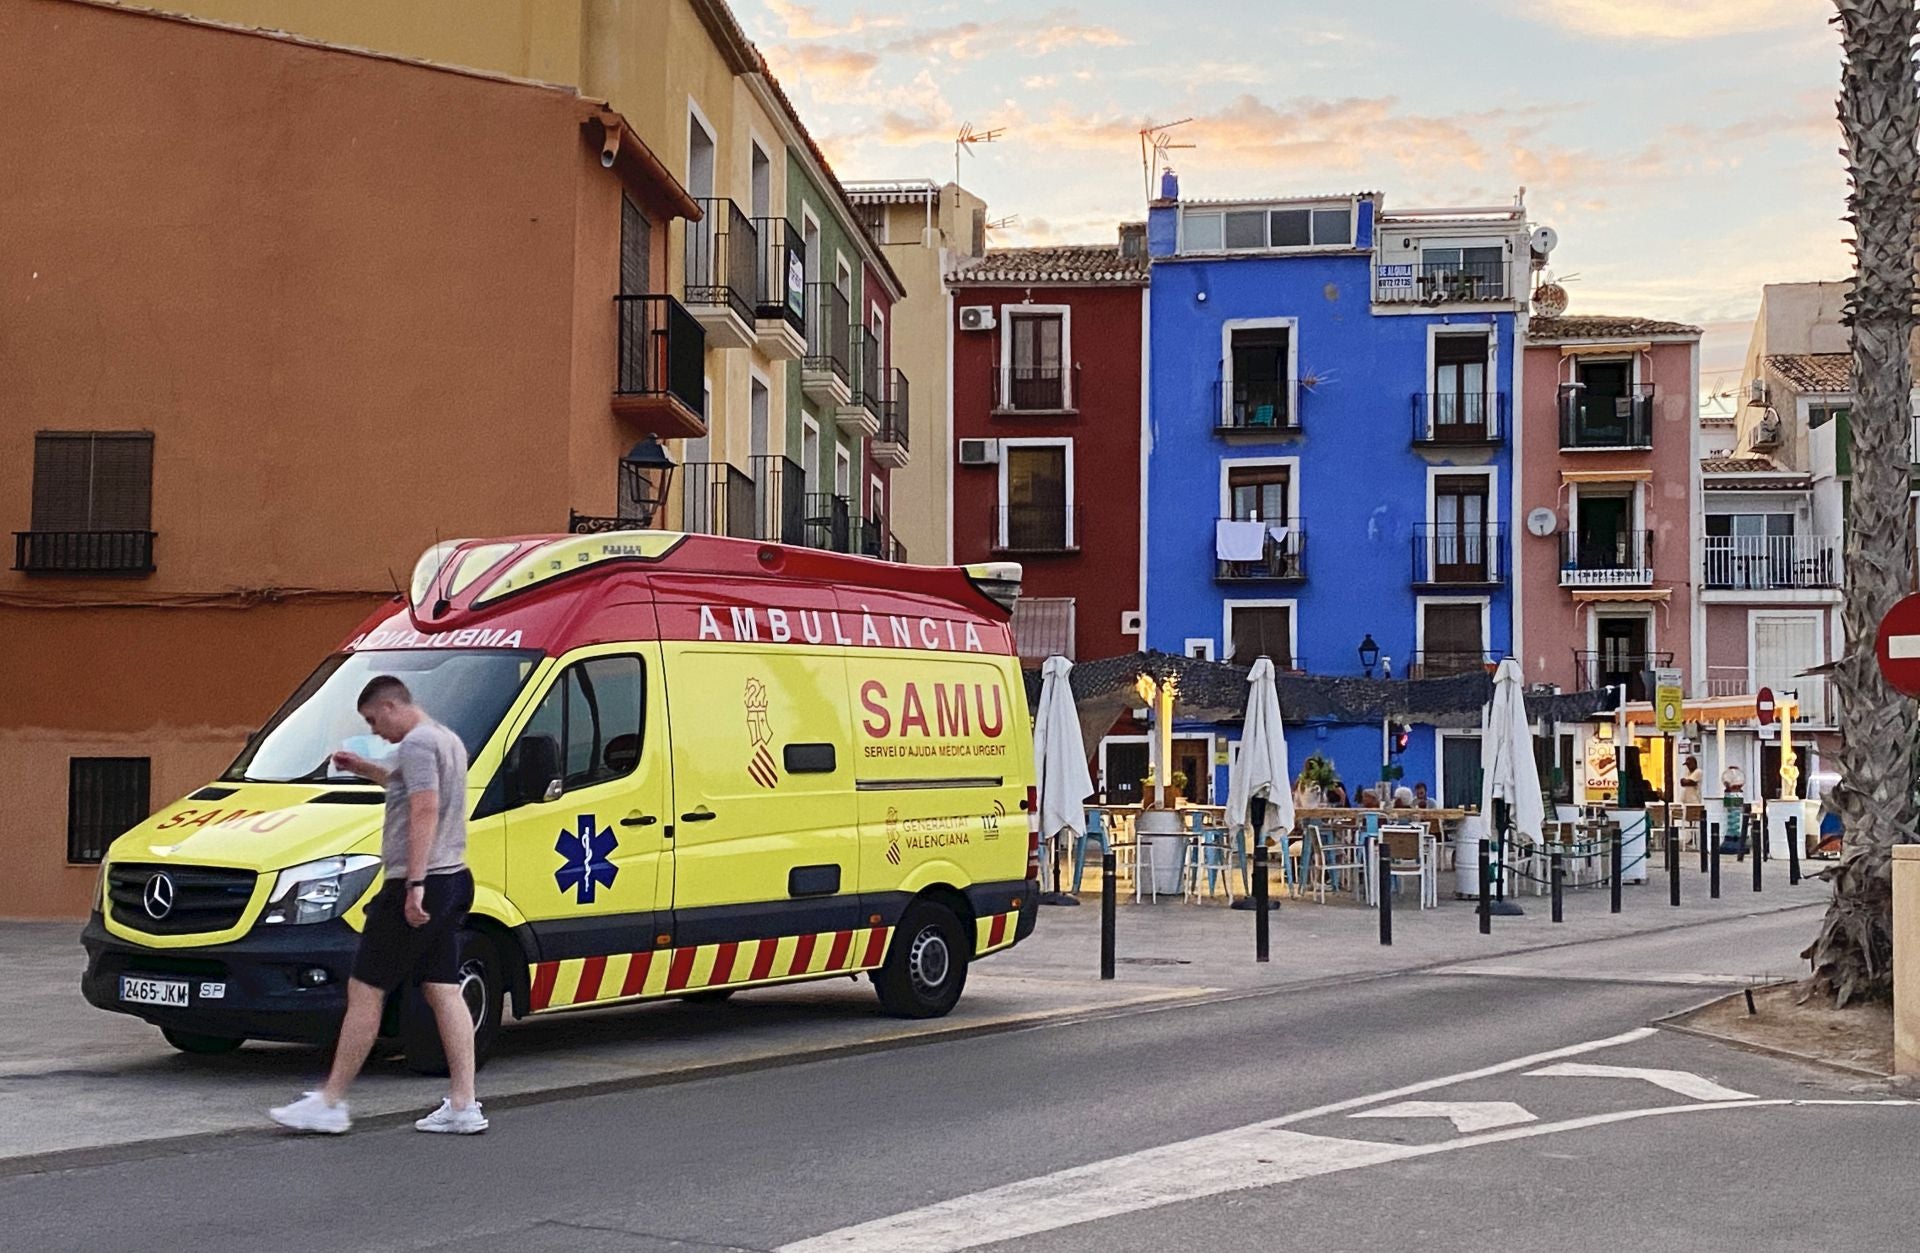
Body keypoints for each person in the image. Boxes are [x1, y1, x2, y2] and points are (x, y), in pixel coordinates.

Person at [270, 676, 486, 1136]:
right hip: (454, 877)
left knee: (366, 989)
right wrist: (363, 767)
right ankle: (465, 1103)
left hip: (419, 881)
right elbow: (408, 786)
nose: (376, 731)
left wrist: (414, 884)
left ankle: (329, 1101)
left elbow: (424, 808)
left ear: (390, 706)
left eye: (373, 721)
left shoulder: (416, 744)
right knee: (444, 988)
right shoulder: (447, 740)